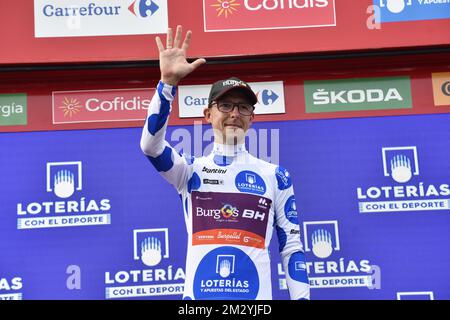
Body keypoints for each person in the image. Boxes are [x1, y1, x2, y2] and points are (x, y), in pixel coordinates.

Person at [140, 25, 310, 300]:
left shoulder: (275, 176)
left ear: (252, 118)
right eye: (226, 105)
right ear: (207, 114)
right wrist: (167, 85)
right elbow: (150, 146)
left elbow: (291, 247)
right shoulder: (189, 171)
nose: (235, 113)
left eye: (243, 107)